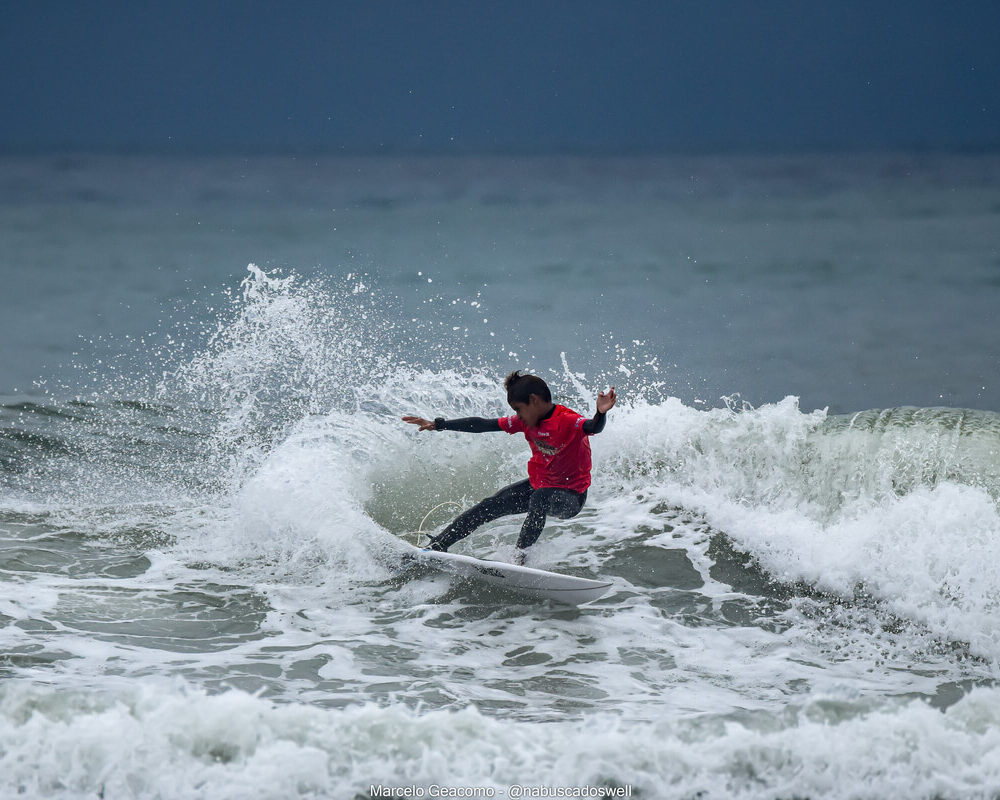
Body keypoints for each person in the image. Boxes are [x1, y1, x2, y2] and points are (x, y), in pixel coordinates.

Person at [402, 371, 617, 564]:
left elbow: (593, 427)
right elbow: (483, 424)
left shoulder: (568, 420)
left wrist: (601, 413)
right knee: (489, 505)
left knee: (540, 497)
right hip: (540, 486)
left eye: (518, 409)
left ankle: (520, 558)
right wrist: (440, 424)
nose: (518, 415)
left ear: (533, 400)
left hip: (571, 497)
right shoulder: (524, 422)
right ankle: (437, 546)